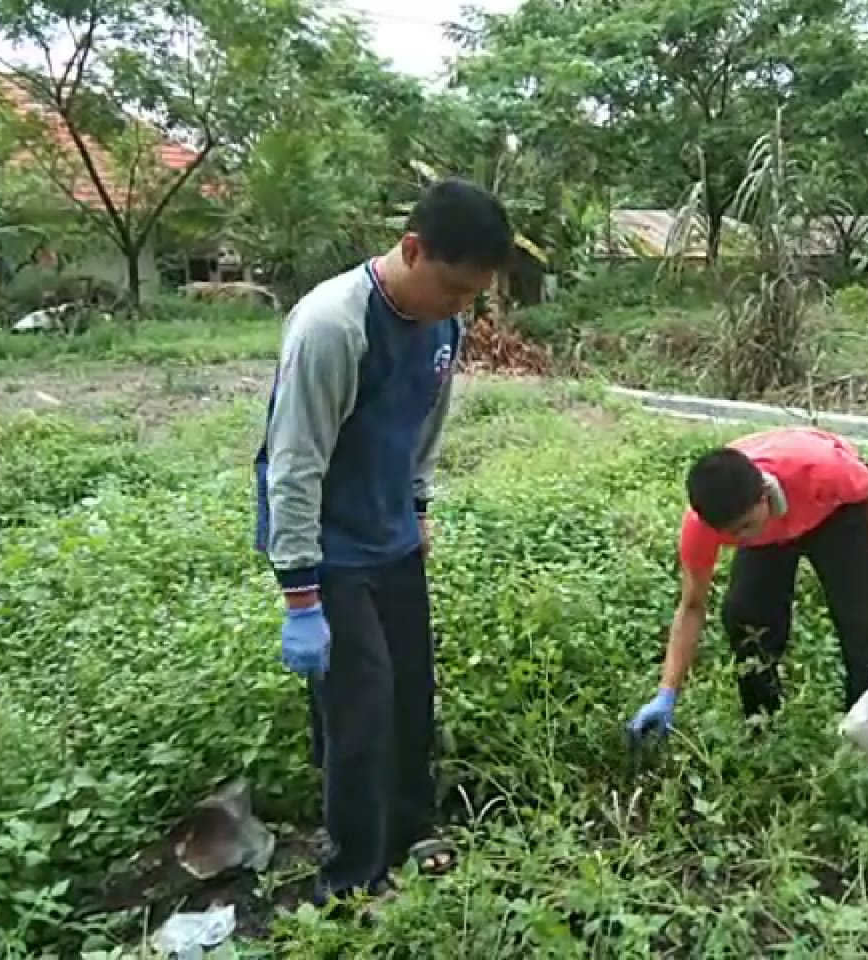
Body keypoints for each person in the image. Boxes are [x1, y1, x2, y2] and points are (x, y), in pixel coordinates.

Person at [253, 178, 513, 905]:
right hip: (328, 548)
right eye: (453, 288)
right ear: (411, 249)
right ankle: (352, 878)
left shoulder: (445, 325)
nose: (461, 308)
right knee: (360, 710)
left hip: (391, 531)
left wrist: (417, 504)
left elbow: (425, 424)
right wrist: (300, 592)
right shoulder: (333, 325)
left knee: (410, 693)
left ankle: (407, 826)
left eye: (473, 296)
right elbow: (294, 461)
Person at [627, 426, 868, 737]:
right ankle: (762, 727)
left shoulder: (821, 468)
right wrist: (667, 692)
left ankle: (866, 725)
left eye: (745, 526)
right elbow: (692, 606)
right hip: (773, 527)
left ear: (766, 496)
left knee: (862, 620)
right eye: (731, 534)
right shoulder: (703, 526)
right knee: (746, 619)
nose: (740, 538)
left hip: (831, 510)